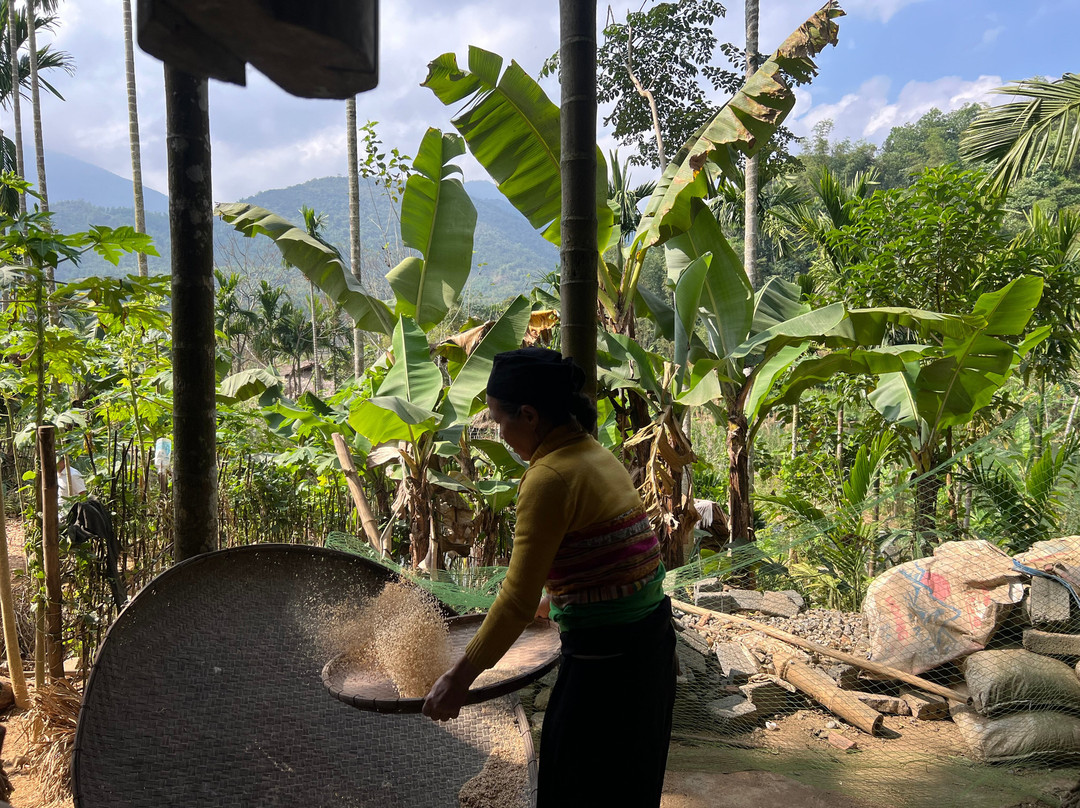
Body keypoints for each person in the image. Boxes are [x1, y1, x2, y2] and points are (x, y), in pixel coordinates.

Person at [423, 347, 676, 807]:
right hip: (652, 646)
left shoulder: (548, 478)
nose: (500, 435)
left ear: (530, 415)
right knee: (629, 788)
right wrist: (556, 601)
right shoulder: (595, 455)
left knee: (572, 788)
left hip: (608, 663)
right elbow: (611, 560)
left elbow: (516, 601)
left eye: (501, 422)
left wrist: (459, 679)